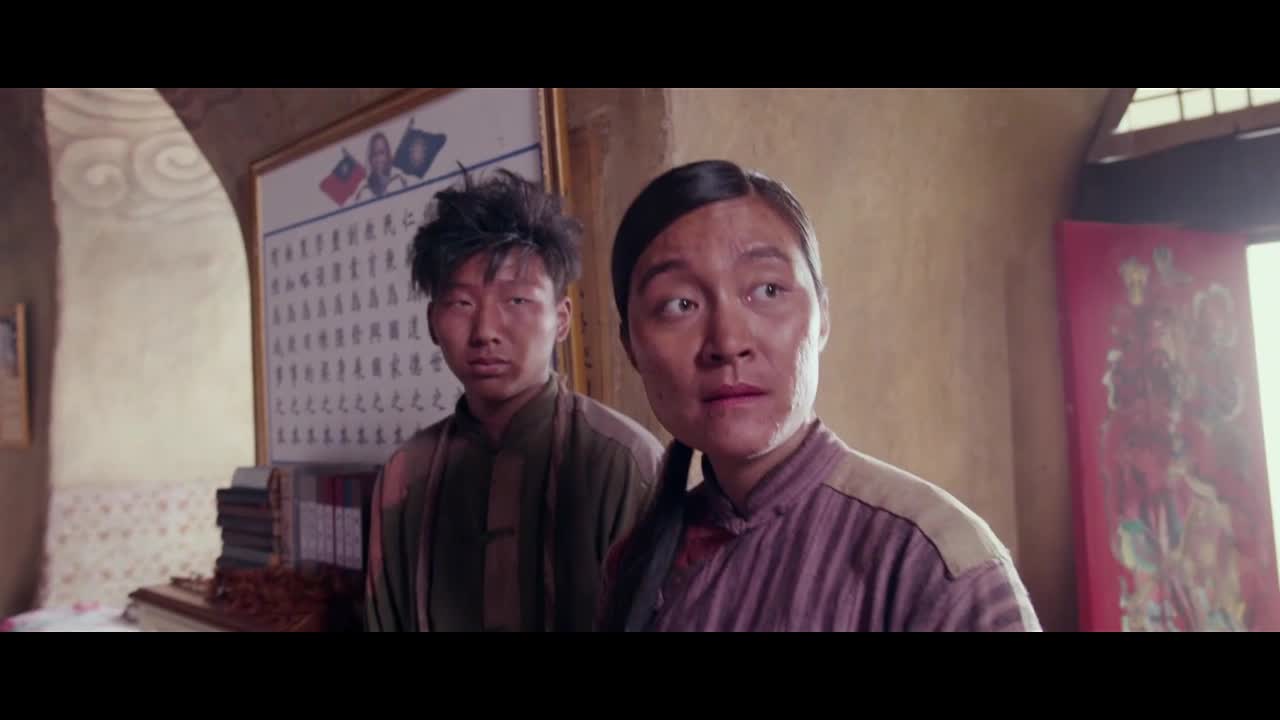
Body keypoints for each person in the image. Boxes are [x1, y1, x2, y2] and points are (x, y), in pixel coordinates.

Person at [595, 160, 1041, 632]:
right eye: (680, 304)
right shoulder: (634, 565)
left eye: (767, 290)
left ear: (822, 316)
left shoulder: (931, 564)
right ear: (630, 347)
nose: (727, 342)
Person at [365, 169, 662, 632]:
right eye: (461, 303)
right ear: (431, 322)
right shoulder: (405, 473)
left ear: (561, 319)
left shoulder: (624, 463)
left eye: (517, 301)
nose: (485, 331)